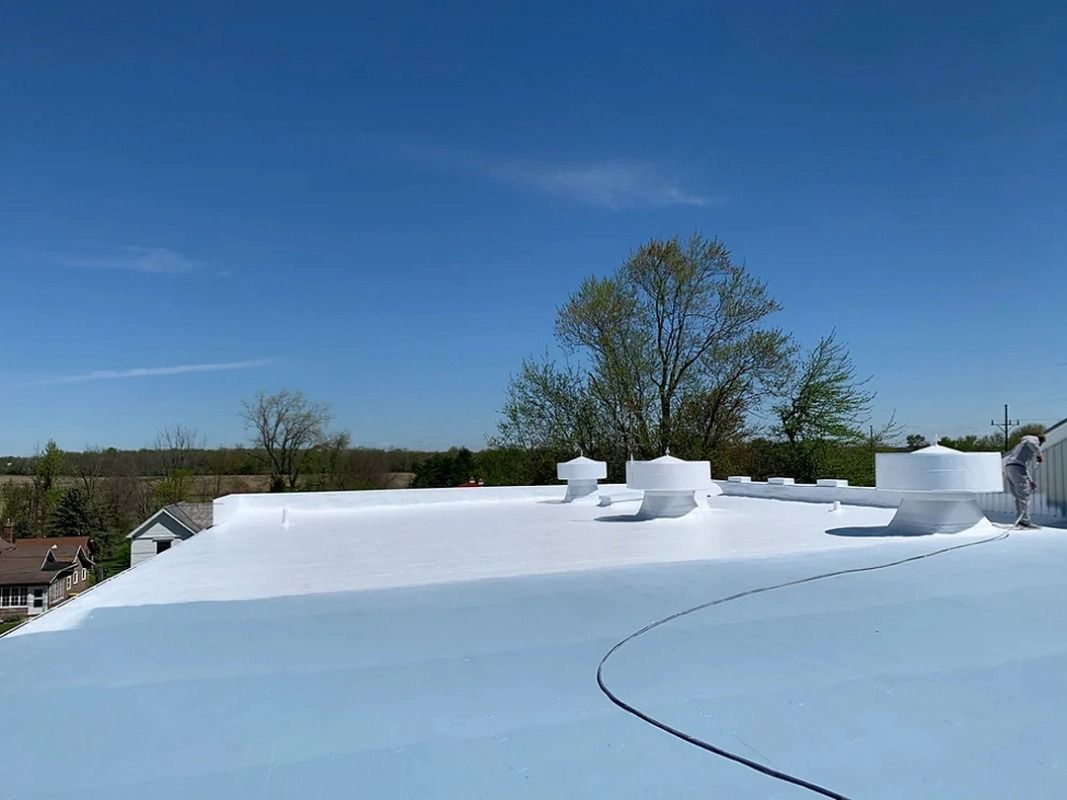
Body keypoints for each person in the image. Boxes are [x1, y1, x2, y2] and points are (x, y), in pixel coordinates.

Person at [1003, 434, 1046, 529]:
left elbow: (1024, 467)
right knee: (1024, 496)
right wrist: (1040, 454)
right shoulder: (1031, 440)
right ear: (1040, 441)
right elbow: (1032, 443)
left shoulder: (1022, 446)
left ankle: (1021, 519)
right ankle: (1025, 522)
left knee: (1019, 496)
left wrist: (1030, 481)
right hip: (1016, 468)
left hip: (1010, 467)